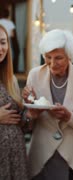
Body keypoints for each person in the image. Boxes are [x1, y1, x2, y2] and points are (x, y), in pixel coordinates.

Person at [22, 29, 73, 180]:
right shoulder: (34, 75)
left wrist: (69, 117)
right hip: (41, 161)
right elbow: (26, 125)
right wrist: (31, 114)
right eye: (47, 57)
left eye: (58, 58)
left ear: (69, 56)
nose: (52, 63)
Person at [0, 24, 28, 180]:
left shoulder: (12, 80)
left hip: (16, 160)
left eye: (3, 42)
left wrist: (31, 111)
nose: (0, 48)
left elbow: (20, 122)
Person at [0, 6, 20, 73]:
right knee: (9, 56)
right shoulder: (10, 23)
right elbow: (12, 34)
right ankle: (9, 70)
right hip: (7, 40)